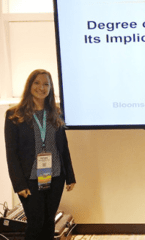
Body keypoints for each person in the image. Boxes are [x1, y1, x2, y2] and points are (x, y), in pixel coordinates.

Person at [4, 69, 76, 240]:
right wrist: (19, 184)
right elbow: (11, 153)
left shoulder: (56, 113)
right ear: (29, 85)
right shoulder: (15, 115)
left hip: (55, 176)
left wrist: (70, 176)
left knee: (49, 222)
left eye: (46, 84)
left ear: (50, 88)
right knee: (36, 222)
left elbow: (63, 147)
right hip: (30, 179)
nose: (41, 87)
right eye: (37, 83)